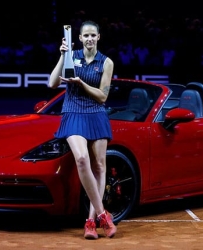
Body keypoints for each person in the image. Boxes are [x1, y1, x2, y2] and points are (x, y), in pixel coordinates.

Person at [48, 20, 117, 239]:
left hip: (96, 114)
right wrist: (62, 55)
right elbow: (51, 83)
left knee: (99, 166)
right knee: (81, 159)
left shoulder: (106, 63)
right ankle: (103, 215)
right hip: (73, 112)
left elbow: (103, 96)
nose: (88, 39)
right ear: (79, 38)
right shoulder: (71, 55)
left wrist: (81, 84)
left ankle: (90, 221)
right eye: (85, 36)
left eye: (92, 35)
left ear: (98, 37)